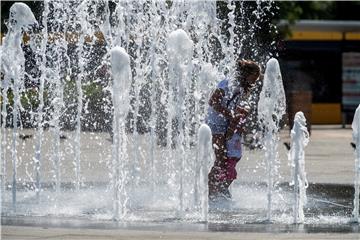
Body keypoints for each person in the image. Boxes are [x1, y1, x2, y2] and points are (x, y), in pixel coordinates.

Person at [206, 59, 261, 203]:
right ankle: (210, 192)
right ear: (246, 73)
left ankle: (221, 189)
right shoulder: (227, 84)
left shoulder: (242, 87)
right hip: (216, 124)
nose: (256, 79)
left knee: (231, 158)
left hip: (226, 124)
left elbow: (236, 105)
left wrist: (241, 113)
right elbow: (213, 102)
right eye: (254, 76)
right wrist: (231, 115)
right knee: (221, 159)